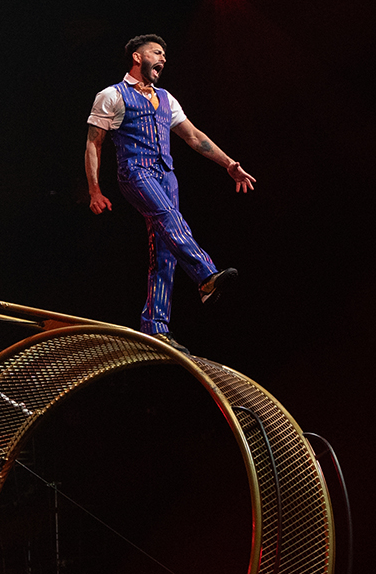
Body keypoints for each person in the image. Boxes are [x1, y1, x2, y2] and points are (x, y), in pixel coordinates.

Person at [84, 34, 255, 354]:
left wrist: (228, 163)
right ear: (138, 57)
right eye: (157, 52)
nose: (163, 58)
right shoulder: (111, 95)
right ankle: (206, 276)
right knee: (169, 218)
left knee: (164, 249)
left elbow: (193, 136)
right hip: (136, 172)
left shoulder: (166, 98)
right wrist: (94, 189)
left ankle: (155, 327)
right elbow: (94, 144)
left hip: (167, 176)